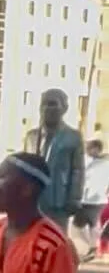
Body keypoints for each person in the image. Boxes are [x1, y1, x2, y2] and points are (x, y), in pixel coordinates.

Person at [26, 89, 84, 231]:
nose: (47, 108)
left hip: (59, 200)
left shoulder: (73, 137)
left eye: (53, 104)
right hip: (33, 199)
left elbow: (78, 170)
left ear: (64, 108)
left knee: (56, 239)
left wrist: (75, 199)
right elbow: (25, 167)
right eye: (44, 104)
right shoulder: (32, 136)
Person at [74, 139, 109, 260]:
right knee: (78, 225)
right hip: (84, 198)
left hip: (97, 200)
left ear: (97, 149)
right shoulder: (84, 160)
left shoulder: (105, 163)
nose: (88, 150)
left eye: (90, 148)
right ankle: (92, 246)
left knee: (93, 225)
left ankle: (93, 248)